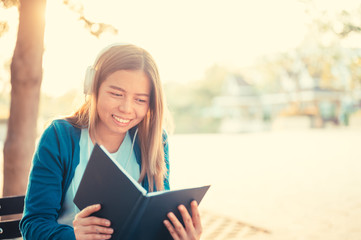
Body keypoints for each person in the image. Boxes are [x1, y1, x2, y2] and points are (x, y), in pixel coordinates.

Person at [20, 43, 203, 240]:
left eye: (140, 100)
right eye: (116, 94)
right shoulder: (59, 137)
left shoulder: (154, 140)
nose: (126, 108)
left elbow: (157, 221)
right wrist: (74, 236)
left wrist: (180, 236)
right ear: (92, 87)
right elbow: (33, 224)